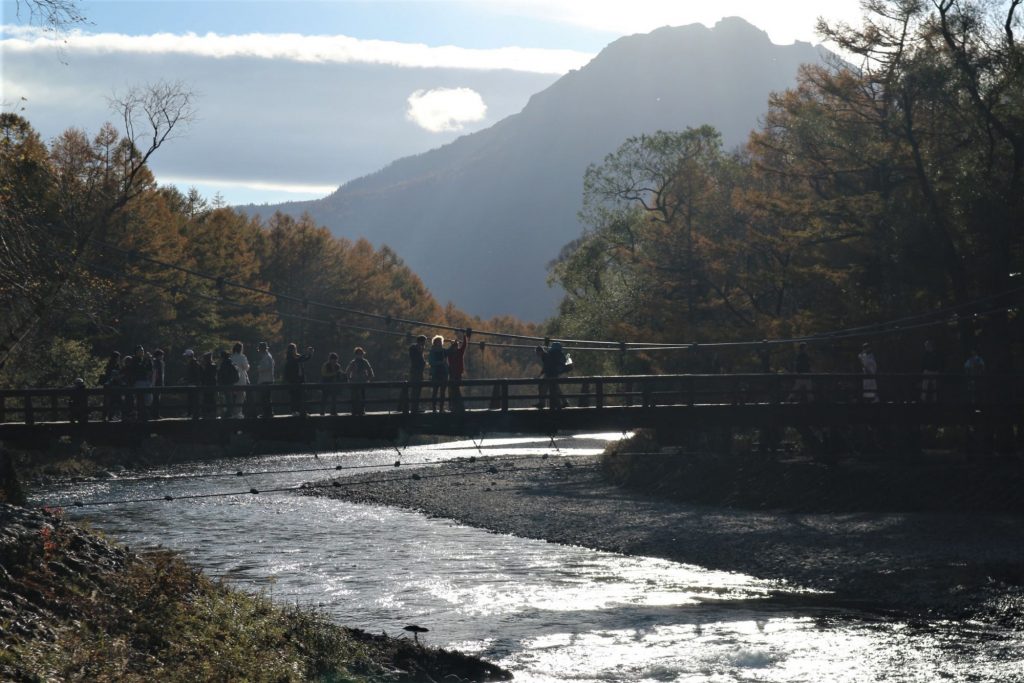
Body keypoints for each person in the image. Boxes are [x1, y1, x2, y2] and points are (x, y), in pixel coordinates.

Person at [284, 343, 314, 416]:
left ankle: (302, 411)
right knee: (294, 396)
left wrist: (310, 354)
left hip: (301, 379)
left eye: (294, 348)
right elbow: (297, 360)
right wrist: (306, 353)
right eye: (293, 349)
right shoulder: (290, 358)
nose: (294, 350)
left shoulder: (297, 356)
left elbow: (305, 359)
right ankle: (294, 411)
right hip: (294, 380)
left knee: (302, 395)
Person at [345, 347, 375, 415]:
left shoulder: (365, 362)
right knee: (354, 396)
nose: (359, 355)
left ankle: (362, 410)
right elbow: (347, 372)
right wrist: (349, 379)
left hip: (362, 382)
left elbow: (370, 371)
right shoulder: (353, 362)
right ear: (355, 354)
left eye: (361, 354)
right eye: (358, 354)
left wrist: (368, 379)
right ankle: (353, 410)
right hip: (354, 382)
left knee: (362, 396)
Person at [446, 329, 471, 412]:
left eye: (456, 346)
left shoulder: (459, 352)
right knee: (453, 390)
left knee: (455, 389)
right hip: (453, 374)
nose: (456, 348)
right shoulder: (450, 354)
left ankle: (456, 406)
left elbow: (464, 345)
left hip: (457, 374)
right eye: (455, 347)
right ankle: (455, 406)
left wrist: (464, 336)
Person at [540, 341, 568, 409]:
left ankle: (543, 403)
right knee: (556, 388)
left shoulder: (551, 354)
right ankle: (564, 402)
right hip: (555, 373)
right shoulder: (560, 355)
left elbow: (547, 363)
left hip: (551, 373)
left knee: (546, 387)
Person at [130, 345, 154, 420]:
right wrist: (145, 360)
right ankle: (141, 417)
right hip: (138, 382)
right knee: (140, 400)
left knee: (148, 400)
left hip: (146, 381)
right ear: (136, 352)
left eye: (143, 350)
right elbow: (139, 369)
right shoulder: (134, 360)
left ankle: (144, 416)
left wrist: (149, 360)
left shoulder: (143, 360)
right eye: (140, 351)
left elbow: (150, 369)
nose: (142, 352)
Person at [253, 342, 275, 418]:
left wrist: (259, 368)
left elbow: (267, 367)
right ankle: (268, 413)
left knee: (265, 397)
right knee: (266, 397)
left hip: (266, 380)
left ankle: (267, 413)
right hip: (266, 379)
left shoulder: (266, 357)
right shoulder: (268, 356)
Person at [229, 342, 250, 418]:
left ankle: (233, 413)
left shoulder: (231, 357)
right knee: (241, 396)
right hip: (241, 380)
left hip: (232, 381)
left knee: (233, 397)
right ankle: (238, 413)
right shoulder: (242, 357)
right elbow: (246, 367)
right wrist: (248, 365)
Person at [428, 335, 449, 412]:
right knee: (435, 391)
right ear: (435, 342)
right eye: (438, 341)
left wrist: (454, 344)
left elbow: (451, 351)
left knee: (442, 392)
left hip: (443, 373)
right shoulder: (432, 351)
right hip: (436, 374)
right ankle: (434, 408)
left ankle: (441, 408)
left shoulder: (444, 351)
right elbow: (431, 362)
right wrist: (440, 363)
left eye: (440, 341)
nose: (440, 343)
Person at [100, 351, 122, 422]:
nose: (119, 359)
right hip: (112, 385)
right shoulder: (114, 365)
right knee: (111, 401)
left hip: (110, 385)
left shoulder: (109, 365)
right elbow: (113, 375)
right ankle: (109, 416)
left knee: (109, 401)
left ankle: (107, 416)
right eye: (118, 357)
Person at [180, 349, 202, 419]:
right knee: (191, 399)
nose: (185, 358)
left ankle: (192, 413)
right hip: (191, 383)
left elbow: (196, 375)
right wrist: (185, 379)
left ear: (189, 356)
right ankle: (190, 413)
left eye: (186, 356)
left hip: (193, 384)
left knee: (193, 399)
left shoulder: (194, 364)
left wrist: (187, 379)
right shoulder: (192, 363)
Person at [217, 350, 239, 418]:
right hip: (232, 383)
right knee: (230, 398)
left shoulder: (224, 364)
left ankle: (227, 413)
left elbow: (221, 375)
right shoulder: (231, 363)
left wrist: (219, 382)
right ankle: (230, 412)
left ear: (222, 357)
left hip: (225, 384)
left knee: (226, 399)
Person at [408, 334, 427, 413]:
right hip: (416, 372)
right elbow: (417, 360)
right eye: (424, 342)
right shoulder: (414, 348)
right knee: (415, 390)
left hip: (419, 372)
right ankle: (414, 408)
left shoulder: (418, 348)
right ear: (420, 341)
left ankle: (416, 407)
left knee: (418, 390)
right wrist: (420, 351)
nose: (424, 344)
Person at [199, 351, 218, 419]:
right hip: (212, 385)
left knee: (207, 399)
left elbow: (204, 376)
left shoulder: (207, 366)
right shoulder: (213, 366)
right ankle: (212, 413)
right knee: (211, 399)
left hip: (207, 385)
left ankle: (207, 413)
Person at [150, 348, 166, 419]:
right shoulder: (157, 362)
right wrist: (153, 384)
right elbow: (155, 373)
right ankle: (155, 415)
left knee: (156, 399)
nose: (162, 356)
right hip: (156, 383)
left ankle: (155, 414)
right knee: (156, 399)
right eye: (161, 355)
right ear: (158, 355)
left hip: (157, 383)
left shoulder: (159, 362)